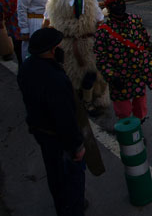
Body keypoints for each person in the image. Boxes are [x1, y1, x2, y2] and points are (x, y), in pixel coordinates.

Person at [17, 28, 87, 216]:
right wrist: (77, 146)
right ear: (51, 50)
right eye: (58, 46)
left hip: (41, 132)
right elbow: (64, 117)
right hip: (59, 138)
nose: (61, 48)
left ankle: (62, 206)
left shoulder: (26, 67)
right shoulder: (55, 79)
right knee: (72, 179)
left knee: (55, 176)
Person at [93, 0, 152, 119]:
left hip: (137, 73)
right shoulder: (103, 32)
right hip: (119, 76)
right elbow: (100, 58)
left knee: (140, 108)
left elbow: (144, 40)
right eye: (115, 5)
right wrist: (112, 76)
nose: (119, 7)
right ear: (109, 8)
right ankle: (129, 136)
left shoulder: (135, 21)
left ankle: (139, 128)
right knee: (124, 112)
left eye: (121, 3)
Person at [45, 0, 110, 115]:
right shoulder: (88, 0)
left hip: (64, 45)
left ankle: (75, 99)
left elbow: (47, 22)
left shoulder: (54, 2)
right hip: (86, 44)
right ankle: (87, 101)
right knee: (89, 72)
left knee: (71, 72)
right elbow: (100, 19)